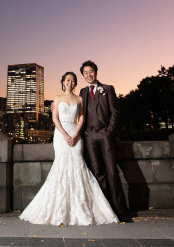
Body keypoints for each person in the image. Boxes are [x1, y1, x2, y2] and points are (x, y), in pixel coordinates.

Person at [19, 71, 118, 226]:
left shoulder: (79, 98)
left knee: (79, 165)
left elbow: (82, 117)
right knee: (61, 166)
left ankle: (82, 207)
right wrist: (65, 135)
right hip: (60, 135)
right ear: (63, 82)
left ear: (75, 83)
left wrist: (76, 134)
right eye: (67, 80)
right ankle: (60, 208)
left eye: (73, 80)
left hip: (76, 134)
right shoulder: (57, 98)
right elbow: (54, 118)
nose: (70, 83)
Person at [79, 60, 129, 221]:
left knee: (112, 172)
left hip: (105, 135)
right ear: (83, 75)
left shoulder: (107, 89)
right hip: (89, 136)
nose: (88, 75)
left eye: (90, 71)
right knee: (97, 172)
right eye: (85, 72)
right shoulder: (82, 92)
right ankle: (106, 210)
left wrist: (109, 132)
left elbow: (115, 111)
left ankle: (121, 211)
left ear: (96, 72)